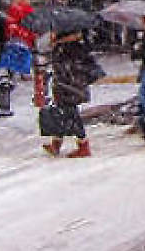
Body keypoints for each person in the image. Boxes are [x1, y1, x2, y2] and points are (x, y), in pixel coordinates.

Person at [42, 29, 102, 158]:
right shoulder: (65, 47)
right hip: (65, 85)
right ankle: (56, 143)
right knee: (62, 112)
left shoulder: (71, 49)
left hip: (69, 86)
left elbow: (68, 67)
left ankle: (83, 145)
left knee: (70, 113)